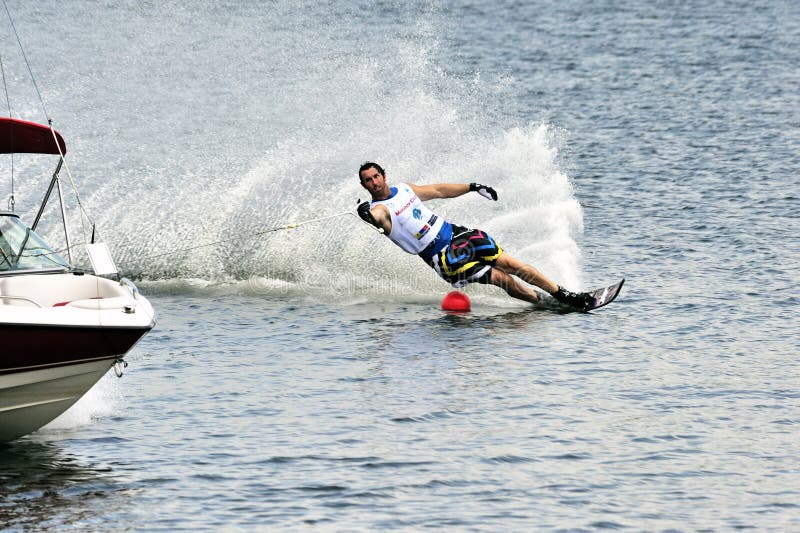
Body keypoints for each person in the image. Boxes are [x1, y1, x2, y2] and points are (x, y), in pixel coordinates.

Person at [356, 161, 594, 309]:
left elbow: (439, 190)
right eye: (368, 181)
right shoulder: (380, 210)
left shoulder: (405, 189)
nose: (374, 182)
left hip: (457, 234)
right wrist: (365, 213)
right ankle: (542, 303)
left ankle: (563, 295)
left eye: (376, 176)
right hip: (443, 258)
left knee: (511, 263)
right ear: (365, 186)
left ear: (384, 175)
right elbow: (376, 218)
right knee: (503, 279)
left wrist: (472, 187)